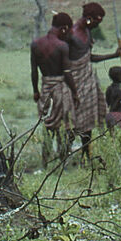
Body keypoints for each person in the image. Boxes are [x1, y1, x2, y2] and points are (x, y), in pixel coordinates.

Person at [67, 2, 121, 160]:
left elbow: (89, 58)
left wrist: (113, 55)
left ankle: (86, 156)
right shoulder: (71, 33)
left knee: (88, 120)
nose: (97, 26)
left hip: (87, 80)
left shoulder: (87, 31)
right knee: (73, 121)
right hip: (73, 82)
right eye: (97, 23)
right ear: (89, 18)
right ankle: (63, 156)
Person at [31, 12, 79, 162]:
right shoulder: (62, 46)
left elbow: (33, 71)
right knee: (64, 125)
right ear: (63, 28)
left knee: (47, 123)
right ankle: (62, 158)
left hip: (45, 88)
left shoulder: (35, 44)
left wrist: (36, 91)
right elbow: (67, 73)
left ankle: (45, 159)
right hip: (60, 89)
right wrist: (75, 93)